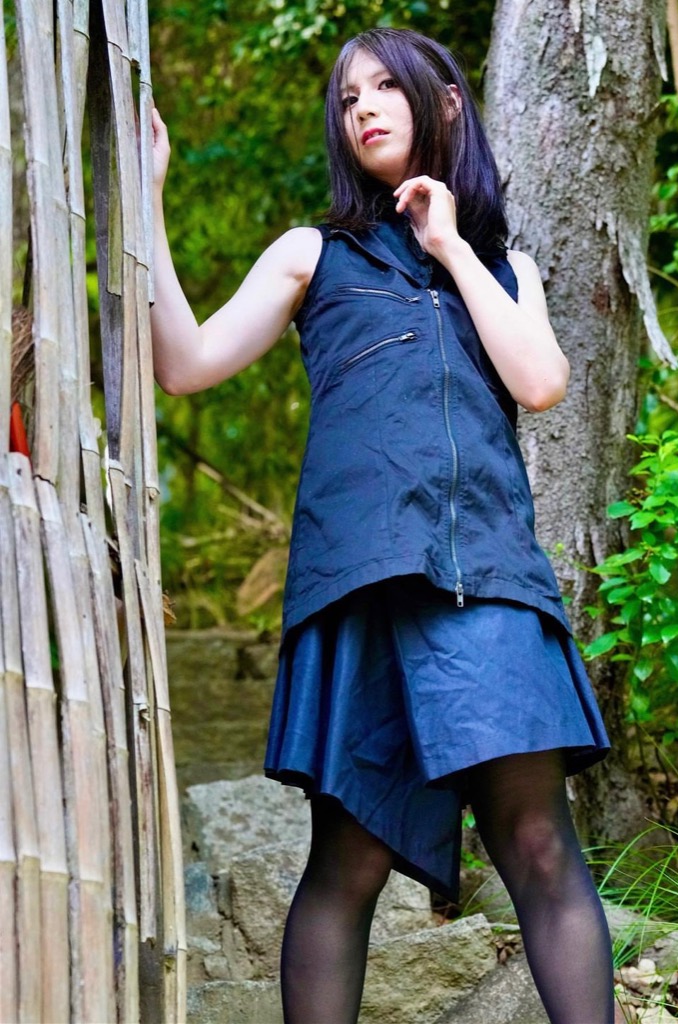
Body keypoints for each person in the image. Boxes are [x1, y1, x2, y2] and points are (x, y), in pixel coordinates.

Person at [151, 27, 614, 1024]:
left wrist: (450, 245)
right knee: (348, 859)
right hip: (360, 583)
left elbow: (540, 382)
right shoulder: (310, 253)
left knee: (539, 843)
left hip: (487, 581)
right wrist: (148, 199)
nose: (359, 107)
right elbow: (184, 365)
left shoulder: (506, 269)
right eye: (346, 97)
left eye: (381, 89)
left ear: (442, 102)